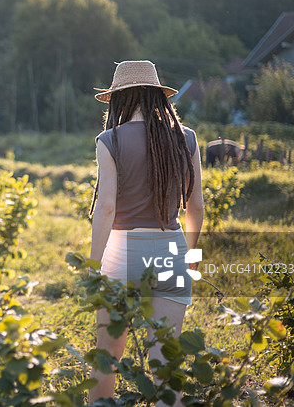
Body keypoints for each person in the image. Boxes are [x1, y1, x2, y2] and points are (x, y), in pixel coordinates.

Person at [87, 60, 205, 406]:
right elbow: (195, 206)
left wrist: (94, 266)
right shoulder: (187, 138)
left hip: (122, 253)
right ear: (158, 96)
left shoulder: (109, 140)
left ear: (119, 99)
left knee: (106, 358)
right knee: (165, 363)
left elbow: (106, 209)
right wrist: (193, 257)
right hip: (172, 250)